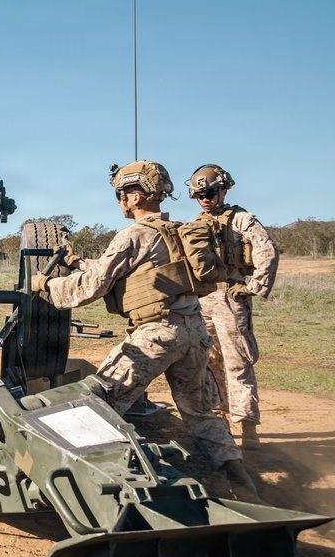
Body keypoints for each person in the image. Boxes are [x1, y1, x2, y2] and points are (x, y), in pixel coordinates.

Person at [31, 160, 258, 501]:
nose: (120, 201)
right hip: (195, 334)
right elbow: (135, 275)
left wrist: (46, 285)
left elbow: (93, 286)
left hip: (156, 336)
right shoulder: (179, 232)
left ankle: (95, 487)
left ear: (135, 196)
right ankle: (244, 486)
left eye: (122, 194)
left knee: (98, 400)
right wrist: (77, 262)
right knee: (200, 413)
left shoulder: (133, 235)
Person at [187, 164, 279, 450]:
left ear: (224, 190)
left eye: (211, 192)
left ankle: (247, 426)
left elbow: (268, 252)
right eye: (200, 194)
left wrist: (252, 288)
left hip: (231, 298)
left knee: (238, 363)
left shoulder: (241, 219)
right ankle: (219, 420)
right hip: (202, 300)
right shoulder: (197, 222)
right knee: (207, 363)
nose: (205, 198)